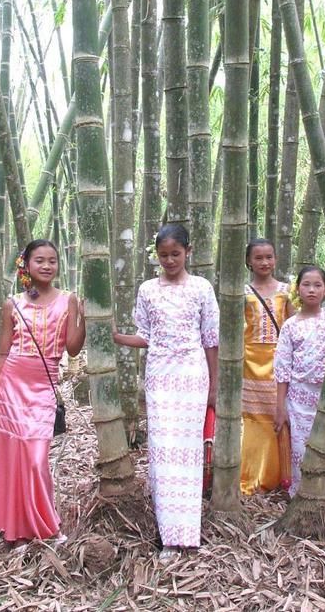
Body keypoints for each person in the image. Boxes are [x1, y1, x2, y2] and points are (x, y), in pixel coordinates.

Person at [113, 224, 219, 561]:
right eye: (163, 255)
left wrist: (214, 385)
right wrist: (116, 336)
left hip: (191, 374)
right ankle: (166, 533)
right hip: (159, 375)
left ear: (189, 250)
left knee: (187, 451)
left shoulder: (202, 288)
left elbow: (211, 339)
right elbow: (146, 335)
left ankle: (186, 533)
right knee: (162, 450)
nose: (170, 260)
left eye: (176, 253)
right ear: (155, 256)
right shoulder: (147, 290)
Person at [0, 239, 85, 544]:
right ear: (26, 265)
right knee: (14, 455)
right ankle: (15, 527)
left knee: (36, 457)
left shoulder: (68, 299)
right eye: (39, 260)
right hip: (12, 384)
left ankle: (46, 526)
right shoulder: (12, 304)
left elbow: (72, 348)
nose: (46, 265)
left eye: (52, 260)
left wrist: (85, 317)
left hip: (44, 386)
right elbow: (2, 352)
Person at [273, 264, 325, 517]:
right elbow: (282, 369)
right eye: (306, 285)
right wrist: (280, 407)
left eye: (317, 285)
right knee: (299, 455)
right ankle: (300, 508)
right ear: (297, 289)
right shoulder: (290, 326)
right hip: (298, 401)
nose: (311, 290)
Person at [240, 238, 293, 495]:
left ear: (276, 259)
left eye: (269, 257)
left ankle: (277, 475)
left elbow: (294, 327)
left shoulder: (286, 290)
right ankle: (249, 476)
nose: (265, 262)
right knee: (252, 419)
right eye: (258, 258)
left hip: (279, 362)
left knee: (278, 417)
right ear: (249, 261)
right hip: (249, 362)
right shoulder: (242, 292)